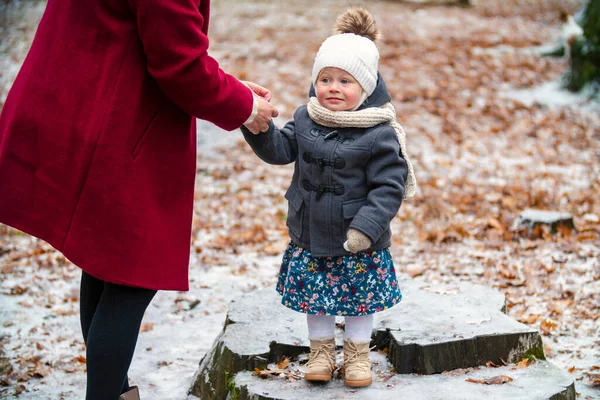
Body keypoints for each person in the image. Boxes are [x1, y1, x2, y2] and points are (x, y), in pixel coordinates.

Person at [0, 0, 277, 399]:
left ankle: (114, 390)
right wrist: (243, 106)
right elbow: (179, 64)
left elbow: (158, 37)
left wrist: (228, 86)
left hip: (86, 103)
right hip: (111, 128)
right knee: (132, 276)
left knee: (108, 262)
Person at [242, 7, 417, 388]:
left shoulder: (379, 133)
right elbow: (280, 149)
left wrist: (367, 228)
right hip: (311, 231)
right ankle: (321, 352)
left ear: (366, 88)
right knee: (316, 298)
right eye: (326, 78)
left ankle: (356, 355)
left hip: (357, 239)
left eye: (345, 80)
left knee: (359, 301)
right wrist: (256, 125)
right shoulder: (306, 118)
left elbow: (389, 187)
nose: (333, 87)